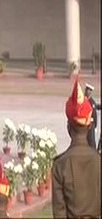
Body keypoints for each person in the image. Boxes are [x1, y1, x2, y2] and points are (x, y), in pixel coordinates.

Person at [51, 78, 101, 218]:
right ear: (90, 126)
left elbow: (59, 213)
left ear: (68, 128)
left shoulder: (60, 166)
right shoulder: (98, 161)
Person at [84, 83, 100, 149]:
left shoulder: (92, 101)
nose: (87, 92)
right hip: (84, 123)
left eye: (89, 90)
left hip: (91, 125)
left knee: (91, 142)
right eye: (87, 90)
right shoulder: (82, 100)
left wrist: (95, 126)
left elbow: (94, 112)